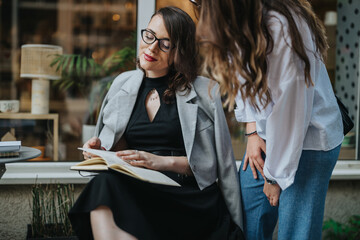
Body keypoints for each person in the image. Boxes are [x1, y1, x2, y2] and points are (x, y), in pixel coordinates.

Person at [69, 6, 244, 240]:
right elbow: (119, 151)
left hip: (186, 196)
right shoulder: (122, 84)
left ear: (179, 51)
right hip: (139, 189)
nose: (151, 47)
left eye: (165, 43)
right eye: (149, 36)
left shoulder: (205, 91)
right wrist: (100, 152)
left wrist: (160, 162)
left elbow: (214, 165)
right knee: (103, 185)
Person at [191, 0, 343, 239]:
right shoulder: (238, 22)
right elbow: (243, 84)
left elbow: (291, 113)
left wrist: (274, 176)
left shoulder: (282, 26)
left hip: (308, 141)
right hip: (265, 136)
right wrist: (252, 132)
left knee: (295, 234)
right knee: (248, 225)